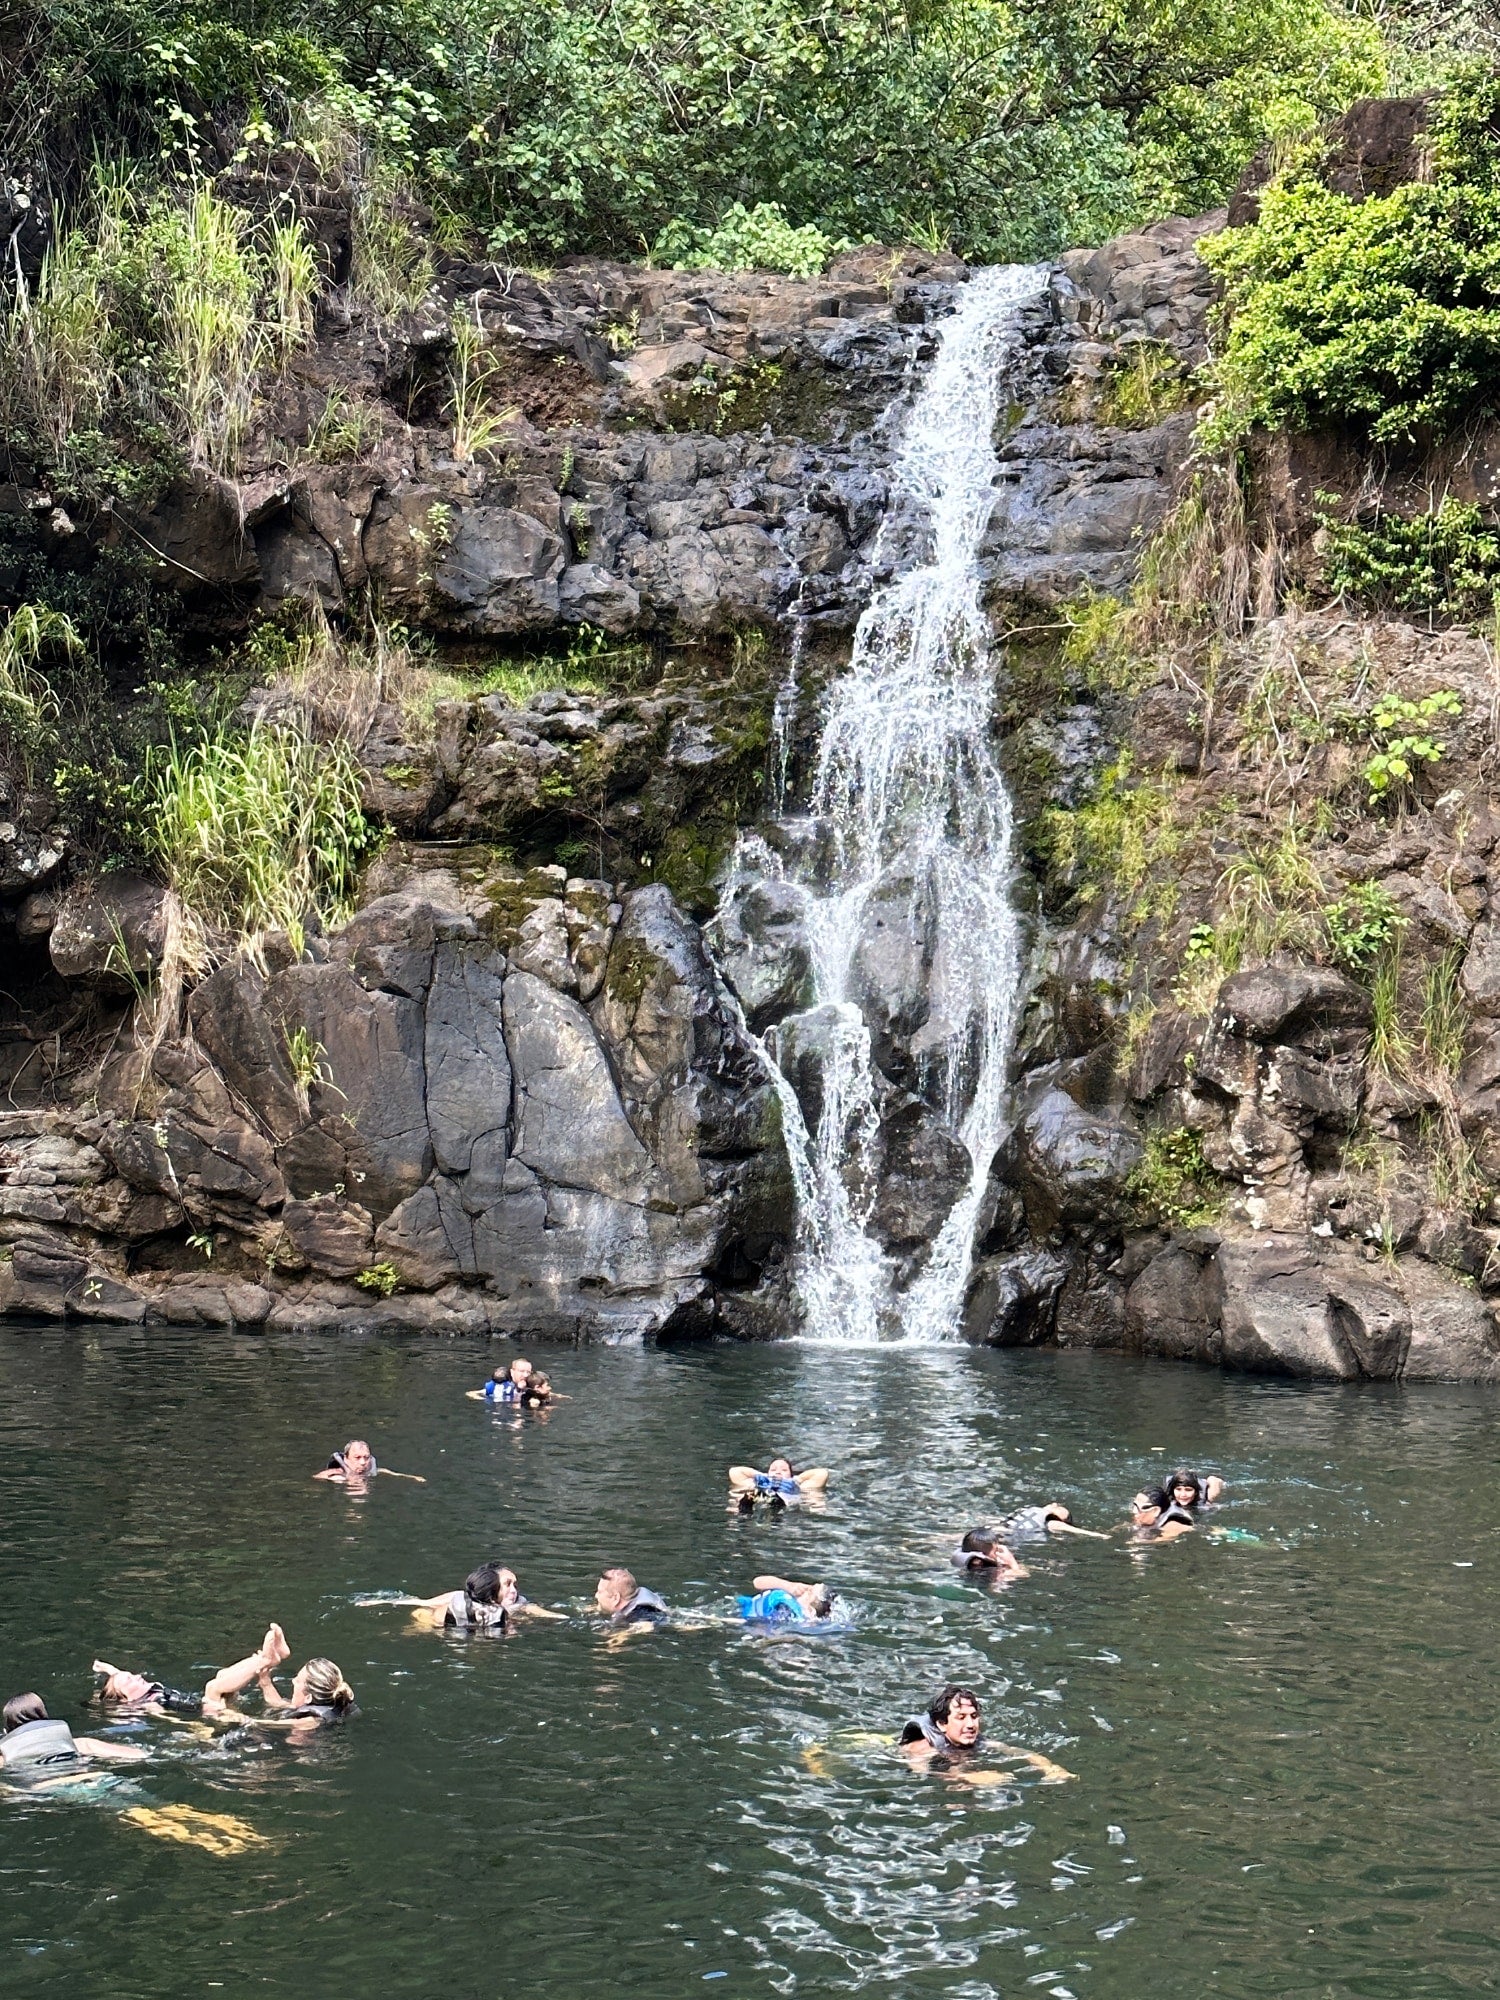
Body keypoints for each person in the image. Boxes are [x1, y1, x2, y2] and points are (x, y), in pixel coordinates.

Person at [898, 1686, 1073, 1785]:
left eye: (974, 1717)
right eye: (961, 1718)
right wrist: (968, 1777)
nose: (970, 1724)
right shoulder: (923, 1747)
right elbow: (921, 1772)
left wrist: (1050, 1768)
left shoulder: (976, 1740)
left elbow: (1019, 1752)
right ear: (942, 1724)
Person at [202, 1624, 355, 1726]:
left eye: (298, 1681)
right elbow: (277, 1703)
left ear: (308, 1697)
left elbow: (260, 1724)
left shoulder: (309, 1721)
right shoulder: (328, 1701)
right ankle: (263, 1661)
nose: (293, 1680)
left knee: (213, 1690)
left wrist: (228, 1713)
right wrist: (265, 1682)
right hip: (274, 1744)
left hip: (274, 1751)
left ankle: (264, 1660)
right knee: (220, 1680)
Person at [0, 1692, 149, 1783]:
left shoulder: (5, 1753)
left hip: (47, 1787)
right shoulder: (76, 1743)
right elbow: (138, 1755)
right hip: (92, 1778)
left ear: (9, 1727)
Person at [91, 1662, 203, 1718]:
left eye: (132, 1675)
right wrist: (196, 1727)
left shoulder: (130, 1689)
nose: (138, 1676)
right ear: (126, 1699)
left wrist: (106, 1668)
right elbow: (169, 1718)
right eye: (130, 1681)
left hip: (203, 1701)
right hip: (207, 1711)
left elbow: (120, 1675)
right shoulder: (149, 1704)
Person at [1132, 1469, 1225, 1529]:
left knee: (1212, 1491)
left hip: (1206, 1493)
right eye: (1179, 1490)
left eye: (1188, 1490)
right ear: (1173, 1491)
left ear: (1195, 1492)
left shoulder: (1203, 1503)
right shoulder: (1167, 1500)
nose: (1183, 1495)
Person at [313, 1439, 424, 1486]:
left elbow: (384, 1471)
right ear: (346, 1459)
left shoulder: (371, 1470)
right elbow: (318, 1478)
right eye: (357, 1458)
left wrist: (412, 1477)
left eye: (366, 1458)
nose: (363, 1462)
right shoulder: (337, 1475)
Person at [736, 1575, 835, 1623]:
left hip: (749, 1621)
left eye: (809, 1592)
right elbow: (757, 1582)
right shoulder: (789, 1598)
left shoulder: (797, 1618)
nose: (805, 1590)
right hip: (744, 1607)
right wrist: (788, 1585)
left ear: (811, 1611)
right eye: (810, 1587)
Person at [728, 1456, 830, 1501]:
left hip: (786, 1501)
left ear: (791, 1474)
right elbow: (734, 1471)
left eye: (784, 1470)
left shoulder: (798, 1485)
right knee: (746, 1496)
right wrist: (763, 1476)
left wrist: (797, 1479)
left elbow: (822, 1473)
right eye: (773, 1469)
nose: (778, 1471)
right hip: (761, 1497)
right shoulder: (758, 1483)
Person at [594, 1567, 669, 1629]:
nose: (596, 1595)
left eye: (600, 1592)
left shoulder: (638, 1612)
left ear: (615, 1598)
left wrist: (619, 1638)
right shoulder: (637, 1598)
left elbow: (647, 1626)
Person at [951, 1531, 1025, 1578]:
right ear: (981, 1556)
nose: (998, 1554)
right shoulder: (989, 1571)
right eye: (996, 1551)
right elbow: (1022, 1575)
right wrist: (1011, 1561)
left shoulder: (970, 1565)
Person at [466, 1358, 533, 1405]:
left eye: (528, 1372)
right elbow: (470, 1393)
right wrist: (487, 1400)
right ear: (512, 1372)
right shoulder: (500, 1386)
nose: (525, 1375)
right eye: (521, 1371)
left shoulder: (533, 1387)